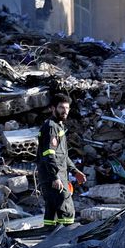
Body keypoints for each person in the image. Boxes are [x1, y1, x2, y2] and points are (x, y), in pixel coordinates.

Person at [37, 92, 75, 229]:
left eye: (67, 108)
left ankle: (49, 235)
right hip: (54, 177)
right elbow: (49, 154)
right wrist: (55, 177)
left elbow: (63, 155)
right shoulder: (51, 127)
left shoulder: (58, 126)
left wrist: (75, 171)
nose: (65, 111)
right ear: (53, 108)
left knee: (52, 210)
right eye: (61, 107)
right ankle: (68, 236)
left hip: (54, 176)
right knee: (66, 209)